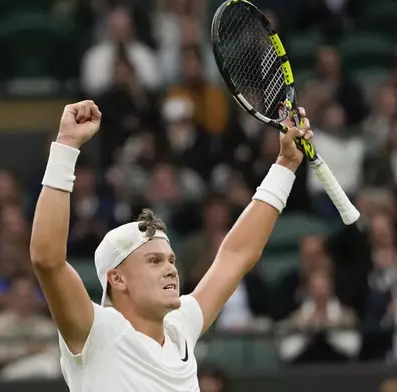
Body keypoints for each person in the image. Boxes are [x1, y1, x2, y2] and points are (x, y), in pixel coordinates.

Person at [29, 100, 313, 391]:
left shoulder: (180, 326)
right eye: (154, 261)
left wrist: (285, 165)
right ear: (116, 277)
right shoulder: (95, 331)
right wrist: (66, 145)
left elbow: (236, 256)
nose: (170, 270)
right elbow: (47, 260)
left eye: (171, 260)